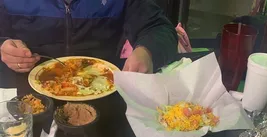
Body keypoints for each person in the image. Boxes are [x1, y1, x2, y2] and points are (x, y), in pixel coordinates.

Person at [0, 0, 178, 74]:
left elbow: (160, 28)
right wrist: (4, 47)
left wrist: (147, 51)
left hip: (104, 89)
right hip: (25, 92)